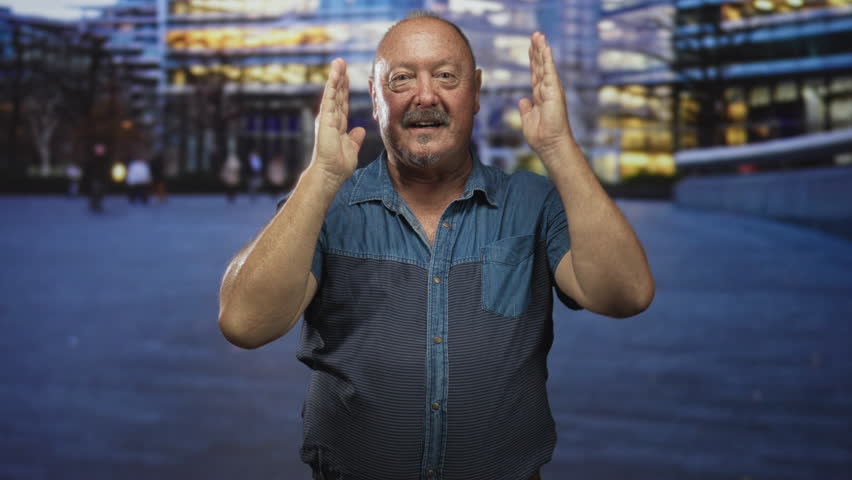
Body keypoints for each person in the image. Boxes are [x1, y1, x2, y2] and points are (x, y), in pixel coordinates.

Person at [218, 12, 654, 480]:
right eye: (401, 79)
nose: (425, 96)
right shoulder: (326, 206)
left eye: (446, 76)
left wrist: (558, 147)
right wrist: (320, 177)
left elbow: (626, 294)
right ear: (375, 97)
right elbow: (244, 324)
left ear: (476, 92)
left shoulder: (533, 203)